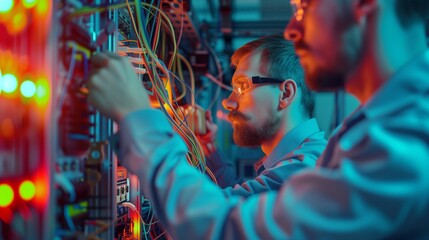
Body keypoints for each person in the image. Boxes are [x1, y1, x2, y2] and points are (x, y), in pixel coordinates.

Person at [87, 0, 429, 238]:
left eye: (303, 5)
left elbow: (230, 229)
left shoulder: (403, 142)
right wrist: (213, 158)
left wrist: (138, 117)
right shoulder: (380, 128)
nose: (294, 28)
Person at [198, 36, 326, 196]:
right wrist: (209, 148)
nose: (227, 102)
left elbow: (215, 212)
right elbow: (246, 202)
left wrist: (158, 137)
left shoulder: (302, 171)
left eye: (242, 86)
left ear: (286, 94)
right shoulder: (302, 157)